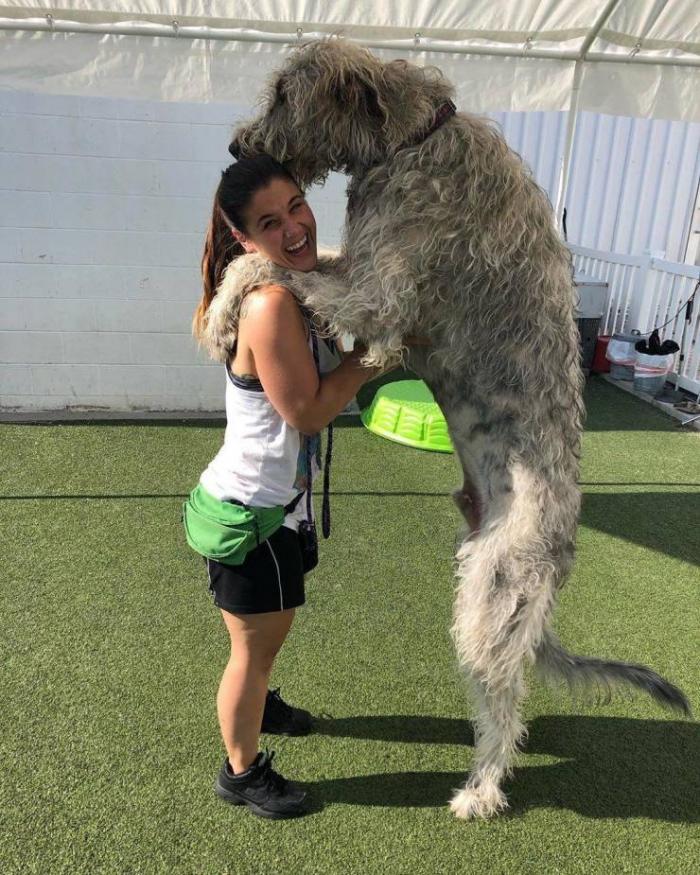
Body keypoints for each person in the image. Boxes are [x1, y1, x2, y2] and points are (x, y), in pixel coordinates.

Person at [189, 155, 383, 820]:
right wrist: (377, 353)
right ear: (244, 239)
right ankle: (240, 772)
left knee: (264, 644)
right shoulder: (270, 302)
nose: (295, 227)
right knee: (250, 652)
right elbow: (308, 411)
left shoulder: (295, 282)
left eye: (297, 205)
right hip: (251, 517)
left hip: (274, 509)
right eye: (270, 222)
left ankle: (261, 705)